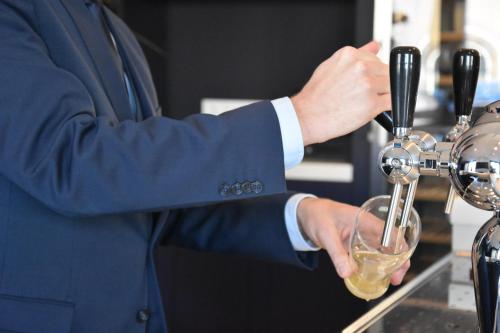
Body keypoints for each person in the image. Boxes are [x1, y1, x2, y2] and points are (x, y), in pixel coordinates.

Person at [0, 0, 409, 332]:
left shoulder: (112, 29)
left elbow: (152, 198)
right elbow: (73, 163)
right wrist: (299, 118)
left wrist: (302, 215)